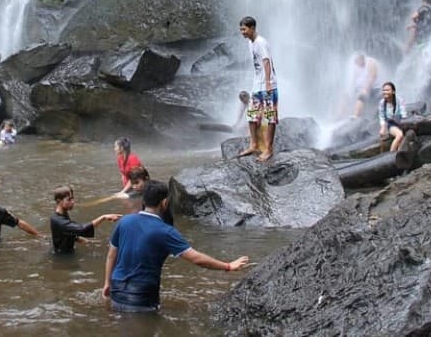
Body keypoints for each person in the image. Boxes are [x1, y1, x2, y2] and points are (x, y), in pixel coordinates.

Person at [102, 180, 249, 312]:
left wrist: (107, 283)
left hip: (117, 290)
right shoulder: (165, 231)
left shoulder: (124, 221)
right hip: (142, 296)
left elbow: (111, 255)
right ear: (165, 203)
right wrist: (228, 266)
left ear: (144, 200)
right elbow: (196, 258)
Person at [238, 16, 278, 161]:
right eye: (241, 29)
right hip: (257, 86)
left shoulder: (261, 42)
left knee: (269, 117)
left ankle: (268, 149)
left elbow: (267, 62)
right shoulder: (251, 43)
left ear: (252, 28)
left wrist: (267, 83)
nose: (242, 32)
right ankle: (254, 144)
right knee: (251, 115)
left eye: (244, 29)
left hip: (268, 86)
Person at [50, 185, 121, 254]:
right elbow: (81, 229)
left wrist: (81, 240)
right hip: (63, 257)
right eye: (69, 200)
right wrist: (103, 217)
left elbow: (68, 231)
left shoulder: (62, 214)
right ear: (59, 201)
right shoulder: (58, 220)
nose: (73, 202)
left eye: (72, 198)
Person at [342, 53, 379, 119]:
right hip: (360, 89)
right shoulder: (357, 66)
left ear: (361, 59)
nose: (356, 64)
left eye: (357, 62)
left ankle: (356, 115)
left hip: (373, 89)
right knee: (344, 95)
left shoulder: (370, 62)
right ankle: (340, 116)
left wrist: (365, 89)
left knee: (362, 95)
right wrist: (350, 92)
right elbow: (354, 81)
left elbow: (373, 77)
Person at [378, 81, 407, 153]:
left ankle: (399, 156)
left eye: (387, 90)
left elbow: (403, 113)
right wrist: (382, 128)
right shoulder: (382, 103)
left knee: (402, 139)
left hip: (402, 123)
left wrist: (404, 124)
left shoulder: (400, 100)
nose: (385, 92)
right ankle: (391, 155)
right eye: (384, 90)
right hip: (392, 124)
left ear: (393, 91)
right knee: (400, 135)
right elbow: (382, 117)